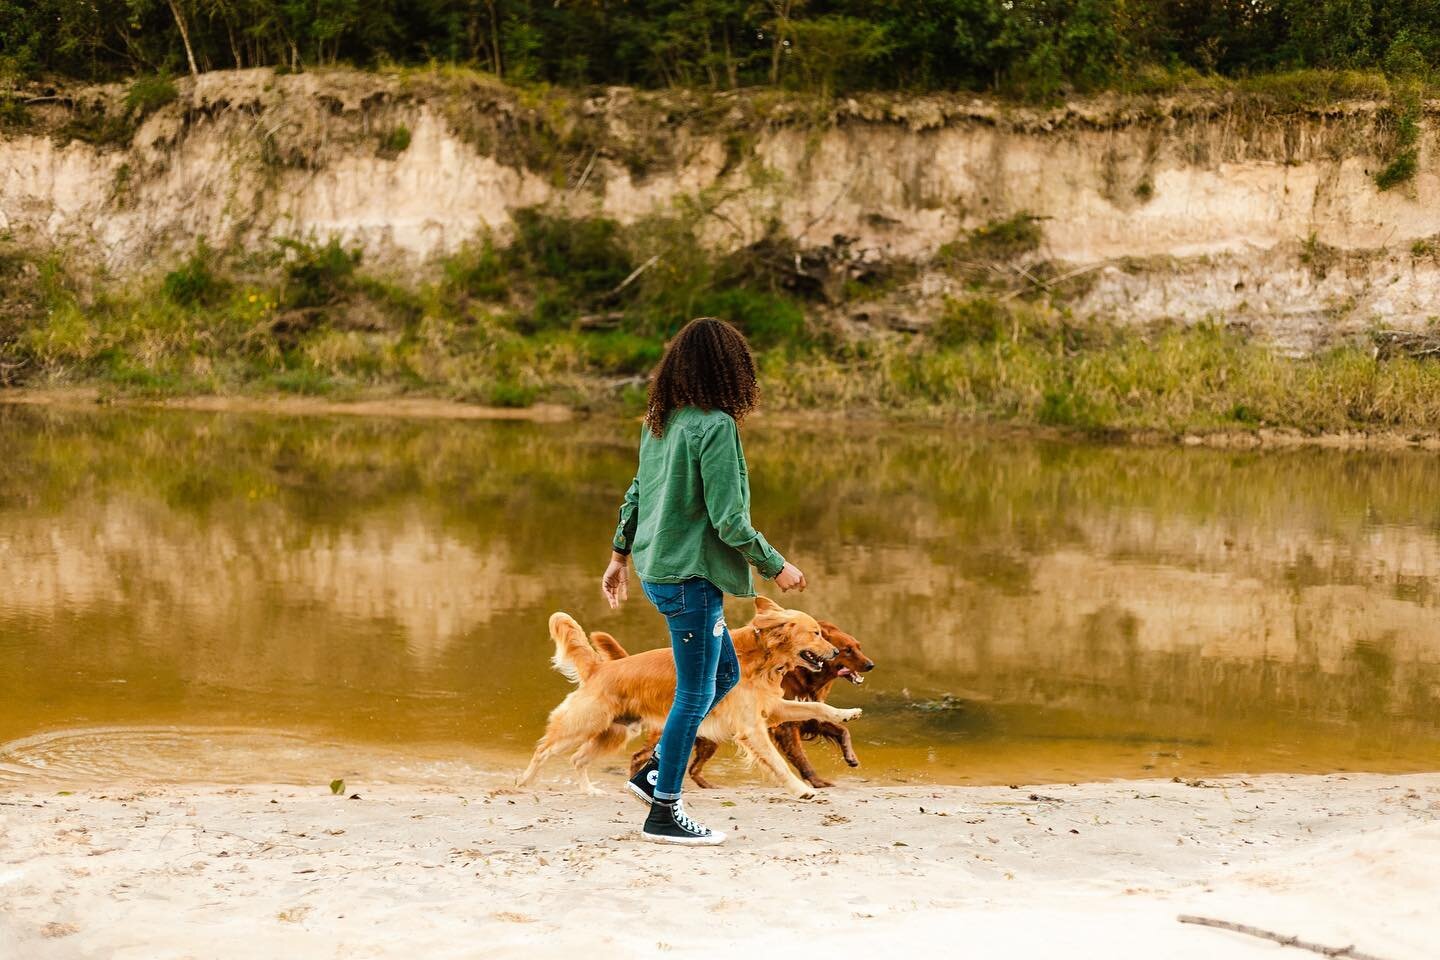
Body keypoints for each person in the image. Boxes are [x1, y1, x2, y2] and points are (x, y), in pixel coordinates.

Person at [602, 317, 806, 845]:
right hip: (689, 578)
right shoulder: (715, 426)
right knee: (695, 693)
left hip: (661, 571)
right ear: (731, 371)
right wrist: (775, 565)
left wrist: (619, 555)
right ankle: (664, 812)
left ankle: (654, 776)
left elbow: (636, 493)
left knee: (720, 679)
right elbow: (730, 520)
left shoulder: (659, 422)